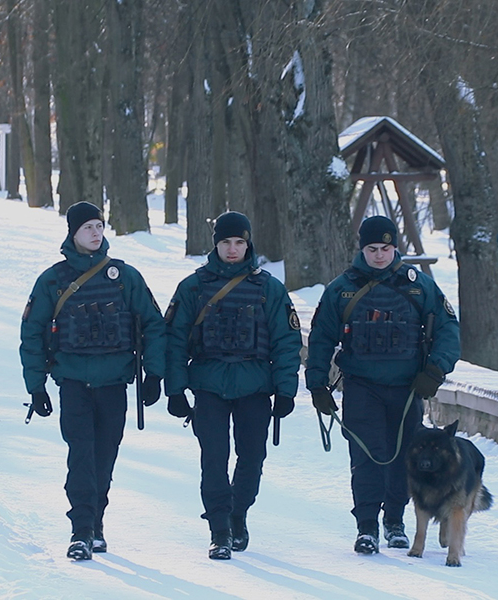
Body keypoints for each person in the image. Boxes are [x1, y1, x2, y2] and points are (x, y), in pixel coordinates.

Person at [305, 215, 460, 555]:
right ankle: (367, 527)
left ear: (395, 248)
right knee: (367, 456)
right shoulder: (342, 289)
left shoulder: (419, 286)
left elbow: (449, 330)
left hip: (408, 388)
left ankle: (395, 520)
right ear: (362, 249)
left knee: (406, 457)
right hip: (362, 386)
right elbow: (320, 339)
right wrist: (317, 383)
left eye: (386, 249)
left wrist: (435, 371)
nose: (379, 256)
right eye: (373, 249)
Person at [19, 201, 166, 561]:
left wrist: (154, 373)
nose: (96, 233)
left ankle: (96, 521)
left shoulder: (125, 277)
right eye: (88, 227)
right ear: (73, 233)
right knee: (81, 455)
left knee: (104, 458)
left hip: (115, 382)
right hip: (73, 381)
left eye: (99, 226)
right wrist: (36, 386)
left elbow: (152, 324)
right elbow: (32, 333)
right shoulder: (53, 280)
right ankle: (81, 529)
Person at [164, 211, 302, 560]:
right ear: (216, 244)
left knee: (252, 457)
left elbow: (287, 342)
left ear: (248, 244)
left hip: (255, 385)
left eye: (239, 242)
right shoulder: (193, 287)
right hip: (208, 383)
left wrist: (286, 390)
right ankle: (219, 529)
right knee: (214, 459)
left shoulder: (269, 288)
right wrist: (176, 389)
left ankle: (238, 513)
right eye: (226, 242)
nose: (232, 249)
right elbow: (175, 340)